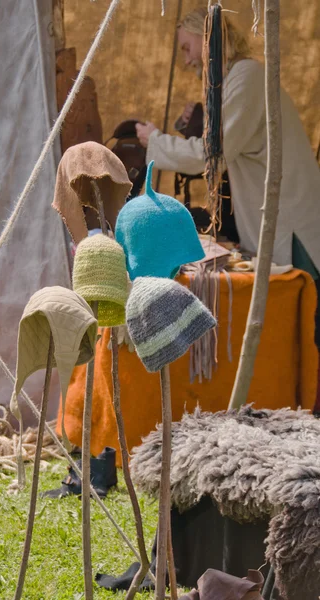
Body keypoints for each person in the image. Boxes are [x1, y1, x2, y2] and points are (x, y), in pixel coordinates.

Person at [136, 6, 320, 412]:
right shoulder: (235, 81)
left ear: (206, 42)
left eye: (187, 48)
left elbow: (214, 152)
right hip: (276, 212)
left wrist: (155, 141)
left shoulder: (248, 77)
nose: (185, 60)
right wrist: (201, 116)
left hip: (291, 216)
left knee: (311, 313)